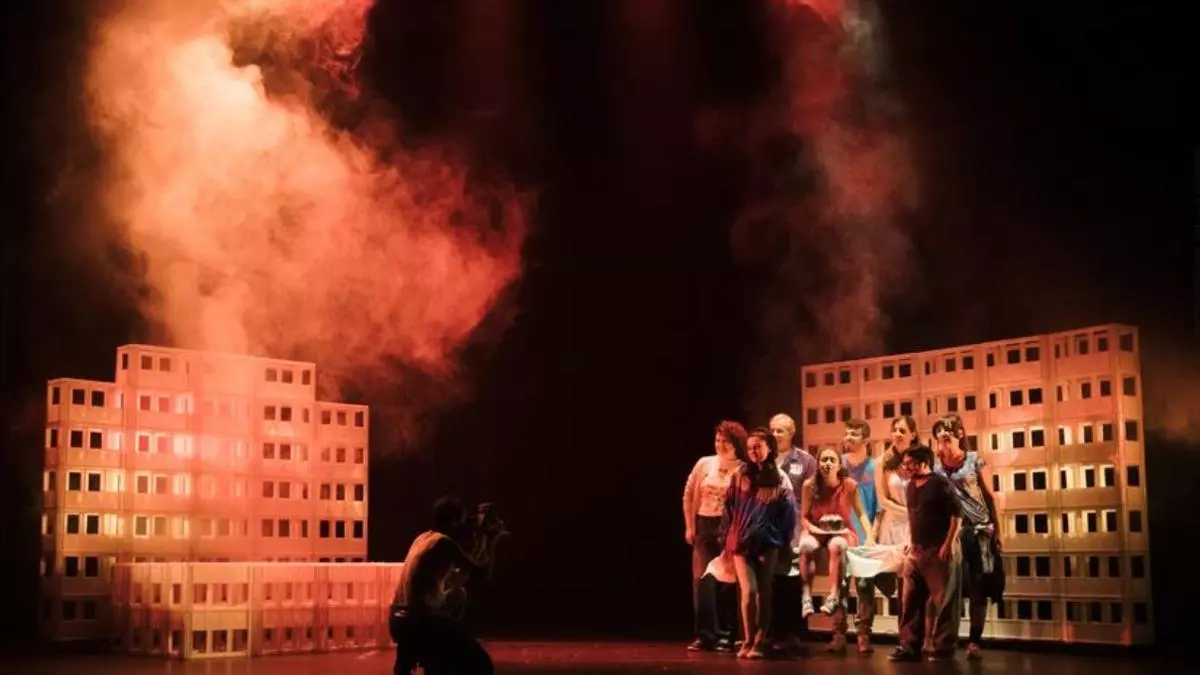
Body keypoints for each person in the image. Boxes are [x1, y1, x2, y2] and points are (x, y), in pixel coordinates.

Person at [390, 496, 502, 675]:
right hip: (422, 623)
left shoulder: (422, 539)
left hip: (399, 621)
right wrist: (493, 540)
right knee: (482, 665)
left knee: (458, 594)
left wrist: (481, 538)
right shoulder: (444, 543)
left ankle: (434, 659)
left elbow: (464, 573)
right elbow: (481, 573)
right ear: (455, 521)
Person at [933, 414, 1005, 660]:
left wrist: (1000, 532)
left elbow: (991, 496)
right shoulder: (937, 469)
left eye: (948, 433)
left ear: (959, 434)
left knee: (979, 588)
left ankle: (975, 641)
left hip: (980, 530)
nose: (943, 437)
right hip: (954, 533)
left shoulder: (974, 460)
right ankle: (946, 640)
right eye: (939, 434)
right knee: (951, 588)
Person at [721, 428, 796, 659]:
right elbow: (728, 506)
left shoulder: (780, 478)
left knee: (764, 591)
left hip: (769, 543)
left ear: (769, 447)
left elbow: (789, 514)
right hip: (741, 542)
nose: (753, 451)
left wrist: (782, 541)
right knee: (749, 590)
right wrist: (727, 537)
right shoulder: (740, 475)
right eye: (750, 447)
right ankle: (747, 639)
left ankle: (759, 641)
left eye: (758, 446)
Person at [852, 415, 919, 654]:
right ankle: (866, 633)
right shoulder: (883, 461)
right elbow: (882, 500)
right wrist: (911, 512)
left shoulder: (920, 459)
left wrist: (917, 515)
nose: (898, 434)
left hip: (915, 526)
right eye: (895, 430)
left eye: (903, 430)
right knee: (881, 578)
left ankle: (908, 639)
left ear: (913, 434)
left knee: (909, 584)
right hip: (893, 524)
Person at [889, 446, 961, 662]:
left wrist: (948, 543)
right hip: (917, 550)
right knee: (910, 599)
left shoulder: (940, 483)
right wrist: (910, 541)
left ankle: (944, 648)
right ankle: (909, 646)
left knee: (944, 601)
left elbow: (957, 514)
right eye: (904, 463)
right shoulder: (911, 486)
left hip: (936, 549)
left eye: (910, 463)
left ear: (923, 463)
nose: (906, 467)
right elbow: (913, 515)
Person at [798, 447, 872, 652]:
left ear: (839, 465)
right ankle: (806, 597)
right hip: (816, 530)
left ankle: (833, 597)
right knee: (805, 545)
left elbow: (861, 513)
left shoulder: (849, 485)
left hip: (842, 532)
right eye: (823, 460)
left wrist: (870, 536)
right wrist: (816, 530)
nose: (827, 463)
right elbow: (804, 517)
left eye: (832, 459)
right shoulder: (809, 485)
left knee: (837, 546)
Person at [682, 421, 746, 652]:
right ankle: (705, 635)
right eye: (718, 440)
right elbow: (689, 494)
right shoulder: (704, 463)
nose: (720, 445)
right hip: (704, 524)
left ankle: (728, 635)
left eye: (726, 441)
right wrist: (690, 526)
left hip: (728, 528)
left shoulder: (743, 468)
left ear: (736, 444)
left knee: (727, 581)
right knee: (702, 580)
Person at [768, 413, 817, 654]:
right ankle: (772, 633)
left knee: (793, 581)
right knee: (772, 581)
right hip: (768, 528)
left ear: (792, 432)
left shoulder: (806, 461)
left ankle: (794, 634)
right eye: (773, 430)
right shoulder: (763, 459)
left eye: (781, 430)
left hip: (795, 528)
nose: (776, 435)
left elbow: (814, 497)